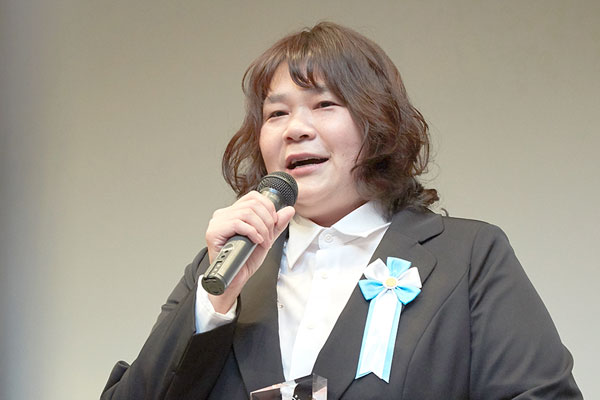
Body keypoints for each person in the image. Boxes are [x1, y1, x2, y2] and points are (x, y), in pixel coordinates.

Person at [100, 22, 582, 399]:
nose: (295, 129)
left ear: (377, 122)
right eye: (276, 113)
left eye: (324, 104)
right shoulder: (220, 269)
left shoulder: (469, 256)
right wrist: (214, 307)